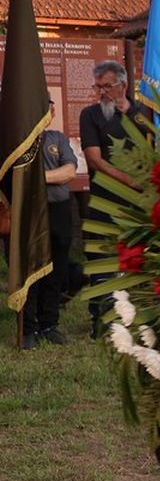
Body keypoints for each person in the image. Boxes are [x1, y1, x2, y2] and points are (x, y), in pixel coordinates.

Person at [79, 60, 146, 337]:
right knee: (102, 258)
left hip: (139, 203)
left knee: (138, 257)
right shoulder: (91, 115)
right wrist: (128, 180)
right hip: (105, 200)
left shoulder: (144, 114)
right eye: (98, 87)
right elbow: (95, 160)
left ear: (123, 85)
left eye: (107, 86)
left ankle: (139, 314)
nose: (102, 92)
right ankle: (102, 318)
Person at [20, 124, 78, 349]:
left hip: (59, 210)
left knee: (57, 270)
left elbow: (69, 172)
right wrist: (55, 176)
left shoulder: (58, 138)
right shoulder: (18, 142)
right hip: (30, 209)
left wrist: (36, 177)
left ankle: (49, 325)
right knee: (31, 270)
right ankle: (27, 328)